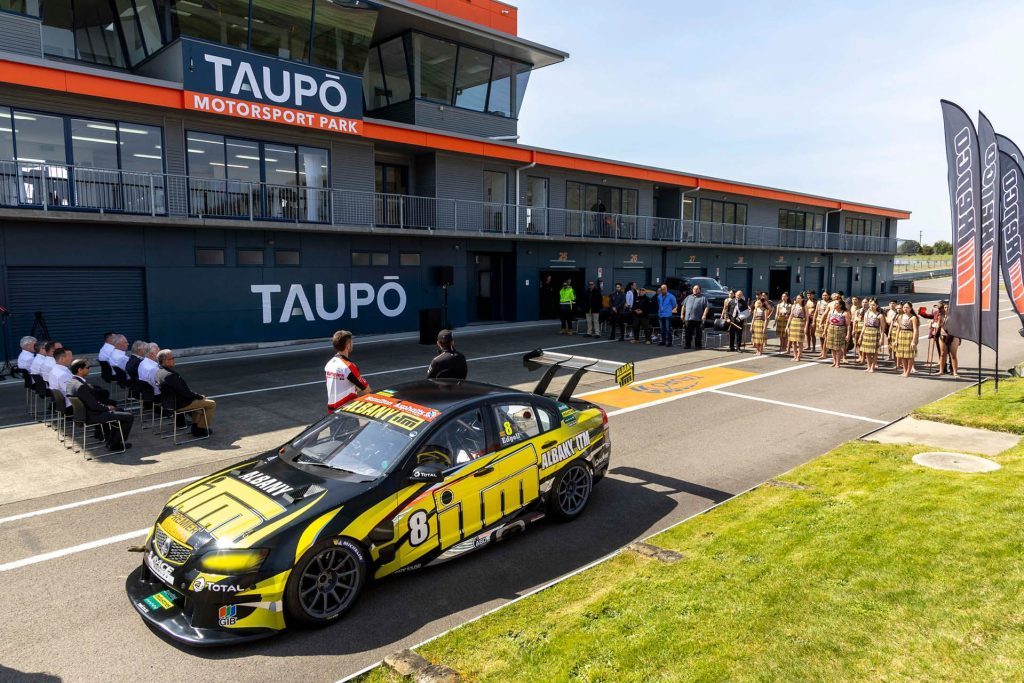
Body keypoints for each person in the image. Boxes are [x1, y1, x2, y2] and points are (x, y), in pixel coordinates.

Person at [66, 359, 133, 450]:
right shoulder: (81, 386)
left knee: (119, 410)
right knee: (128, 416)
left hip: (83, 414)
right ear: (79, 370)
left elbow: (91, 403)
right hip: (92, 415)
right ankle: (115, 444)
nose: (89, 369)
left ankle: (110, 440)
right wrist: (108, 408)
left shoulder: (71, 382)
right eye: (87, 367)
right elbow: (94, 406)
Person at [156, 349, 217, 436]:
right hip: (180, 404)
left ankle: (195, 427)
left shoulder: (159, 372)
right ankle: (201, 429)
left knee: (198, 405)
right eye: (172, 358)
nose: (174, 360)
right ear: (165, 360)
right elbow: (185, 392)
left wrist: (196, 397)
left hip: (168, 404)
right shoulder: (170, 375)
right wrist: (199, 396)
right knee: (211, 404)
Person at [324, 330, 370, 413]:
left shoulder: (329, 364)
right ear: (348, 345)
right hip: (347, 412)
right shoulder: (348, 367)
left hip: (331, 414)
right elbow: (366, 390)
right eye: (351, 342)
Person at [893, 303, 919, 378]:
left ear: (910, 308)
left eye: (907, 307)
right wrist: (896, 340)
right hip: (901, 335)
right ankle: (904, 371)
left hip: (909, 335)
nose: (905, 309)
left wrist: (914, 341)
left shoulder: (913, 317)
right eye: (904, 307)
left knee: (909, 355)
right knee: (902, 355)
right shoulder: (900, 316)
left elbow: (915, 329)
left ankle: (908, 372)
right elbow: (898, 329)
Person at [680, 284, 709, 349]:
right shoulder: (688, 297)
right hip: (688, 318)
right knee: (688, 332)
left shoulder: (703, 298)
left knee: (698, 333)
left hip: (698, 318)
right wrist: (682, 314)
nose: (695, 290)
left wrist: (704, 315)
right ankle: (687, 345)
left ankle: (698, 346)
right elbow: (683, 306)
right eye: (694, 289)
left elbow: (706, 307)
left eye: (696, 289)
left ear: (699, 290)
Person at [826, 298, 851, 368]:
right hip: (831, 329)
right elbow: (827, 322)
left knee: (838, 348)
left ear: (840, 305)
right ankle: (834, 361)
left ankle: (838, 363)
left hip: (840, 330)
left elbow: (848, 325)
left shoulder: (845, 313)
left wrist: (848, 334)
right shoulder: (831, 311)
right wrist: (825, 330)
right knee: (832, 347)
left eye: (836, 303)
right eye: (835, 303)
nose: (835, 304)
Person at [47, 347, 74, 411]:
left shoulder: (55, 369)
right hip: (71, 405)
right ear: (62, 359)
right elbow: (72, 391)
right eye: (70, 356)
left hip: (62, 402)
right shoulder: (62, 374)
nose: (72, 358)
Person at [861, 299, 882, 373]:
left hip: (875, 332)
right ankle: (868, 366)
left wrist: (882, 338)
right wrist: (861, 335)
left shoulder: (879, 315)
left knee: (874, 352)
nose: (872, 306)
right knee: (867, 351)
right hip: (867, 332)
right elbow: (864, 325)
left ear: (877, 306)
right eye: (871, 305)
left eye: (873, 305)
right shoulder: (866, 313)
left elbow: (882, 328)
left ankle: (873, 367)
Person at [788, 293, 806, 362]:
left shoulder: (804, 306)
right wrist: (788, 325)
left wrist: (805, 326)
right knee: (793, 341)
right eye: (797, 298)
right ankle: (795, 356)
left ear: (802, 299)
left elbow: (806, 318)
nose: (798, 299)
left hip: (800, 322)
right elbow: (790, 316)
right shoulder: (793, 306)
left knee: (800, 341)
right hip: (793, 322)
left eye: (799, 298)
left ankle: (798, 356)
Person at [815, 290, 831, 359]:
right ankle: (822, 351)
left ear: (828, 296)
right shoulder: (819, 302)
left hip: (827, 319)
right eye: (823, 295)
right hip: (819, 318)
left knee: (826, 337)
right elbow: (816, 311)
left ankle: (825, 351)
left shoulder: (830, 303)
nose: (824, 296)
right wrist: (814, 321)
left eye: (826, 295)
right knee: (821, 337)